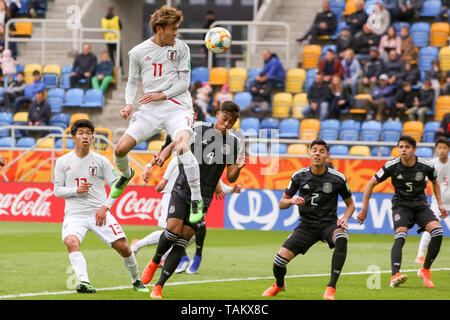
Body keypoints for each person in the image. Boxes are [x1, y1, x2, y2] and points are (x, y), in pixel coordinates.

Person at [140, 101, 245, 299]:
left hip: (204, 197)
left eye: (231, 122)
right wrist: (161, 155)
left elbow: (230, 177)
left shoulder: (233, 143)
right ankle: (154, 261)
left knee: (183, 240)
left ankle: (159, 286)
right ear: (217, 114)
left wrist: (238, 167)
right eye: (224, 119)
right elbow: (175, 137)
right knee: (172, 230)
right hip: (182, 187)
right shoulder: (198, 128)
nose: (226, 125)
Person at [113, 5, 204, 224]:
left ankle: (196, 199)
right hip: (150, 111)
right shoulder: (137, 52)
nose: (176, 33)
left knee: (182, 146)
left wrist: (161, 95)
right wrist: (128, 104)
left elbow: (184, 83)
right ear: (159, 28)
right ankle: (126, 176)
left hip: (178, 107)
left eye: (177, 29)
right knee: (120, 149)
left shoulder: (182, 48)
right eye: (172, 29)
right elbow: (133, 81)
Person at [53, 119, 148, 294]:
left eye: (88, 133)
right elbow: (57, 191)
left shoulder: (101, 161)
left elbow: (117, 185)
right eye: (81, 133)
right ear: (73, 137)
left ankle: (136, 281)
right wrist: (76, 190)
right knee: (71, 242)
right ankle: (84, 282)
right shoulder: (62, 162)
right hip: (74, 214)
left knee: (123, 248)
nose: (85, 137)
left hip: (99, 212)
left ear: (93, 137)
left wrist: (105, 207)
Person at [262, 139, 355, 301]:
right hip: (306, 227)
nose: (317, 153)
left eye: (321, 151)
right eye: (314, 150)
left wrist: (345, 218)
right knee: (279, 262)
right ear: (309, 153)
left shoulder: (338, 178)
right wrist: (291, 201)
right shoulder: (299, 176)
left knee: (342, 237)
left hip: (329, 224)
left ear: (327, 155)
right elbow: (281, 203)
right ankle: (279, 284)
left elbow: (351, 205)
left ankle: (331, 287)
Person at [357, 135, 447, 289]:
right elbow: (370, 183)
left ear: (414, 150)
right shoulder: (392, 165)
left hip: (420, 206)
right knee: (400, 236)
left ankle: (425, 270)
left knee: (438, 232)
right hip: (401, 206)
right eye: (401, 147)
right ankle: (395, 275)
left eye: (407, 147)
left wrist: (439, 203)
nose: (403, 150)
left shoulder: (425, 165)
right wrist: (364, 208)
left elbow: (435, 182)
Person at [416, 137, 450, 264]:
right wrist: (422, 198)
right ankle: (420, 255)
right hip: (437, 202)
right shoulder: (431, 164)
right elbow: (424, 183)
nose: (442, 151)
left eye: (445, 148)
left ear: (448, 149)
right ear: (436, 149)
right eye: (440, 148)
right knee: (431, 227)